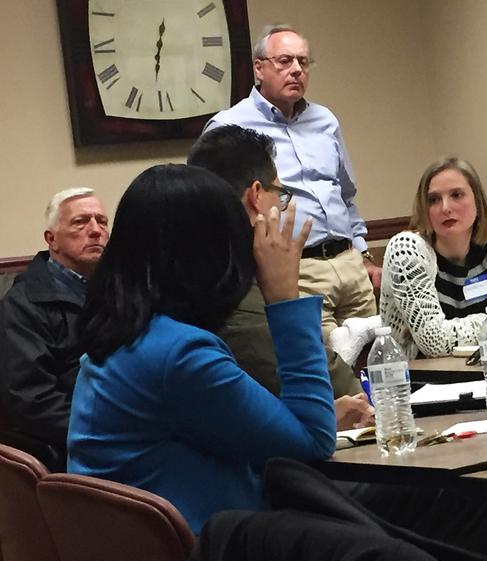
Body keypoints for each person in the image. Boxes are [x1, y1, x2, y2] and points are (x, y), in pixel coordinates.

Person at [67, 164, 336, 534]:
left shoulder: (124, 339)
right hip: (211, 550)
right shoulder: (177, 353)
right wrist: (284, 296)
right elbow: (313, 441)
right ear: (212, 253)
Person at [187, 125, 373, 428]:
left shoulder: (203, 271)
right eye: (281, 194)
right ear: (257, 196)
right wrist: (285, 298)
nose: (284, 207)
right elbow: (323, 405)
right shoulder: (235, 293)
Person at [204, 24, 378, 340]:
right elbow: (215, 209)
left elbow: (345, 193)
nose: (296, 70)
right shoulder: (230, 126)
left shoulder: (325, 120)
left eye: (303, 61)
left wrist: (362, 253)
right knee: (326, 369)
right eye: (285, 61)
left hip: (349, 264)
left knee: (377, 365)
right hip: (296, 270)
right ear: (259, 68)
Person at [380, 156, 487, 359]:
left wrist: (456, 330)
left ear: (477, 202)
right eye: (433, 200)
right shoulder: (405, 250)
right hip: (415, 381)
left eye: (457, 195)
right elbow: (434, 342)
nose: (445, 207)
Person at [0, 188, 108, 471]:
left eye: (102, 221)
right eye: (80, 222)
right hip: (77, 445)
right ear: (51, 240)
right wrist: (107, 430)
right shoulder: (24, 303)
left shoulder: (121, 290)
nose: (96, 230)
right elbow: (32, 400)